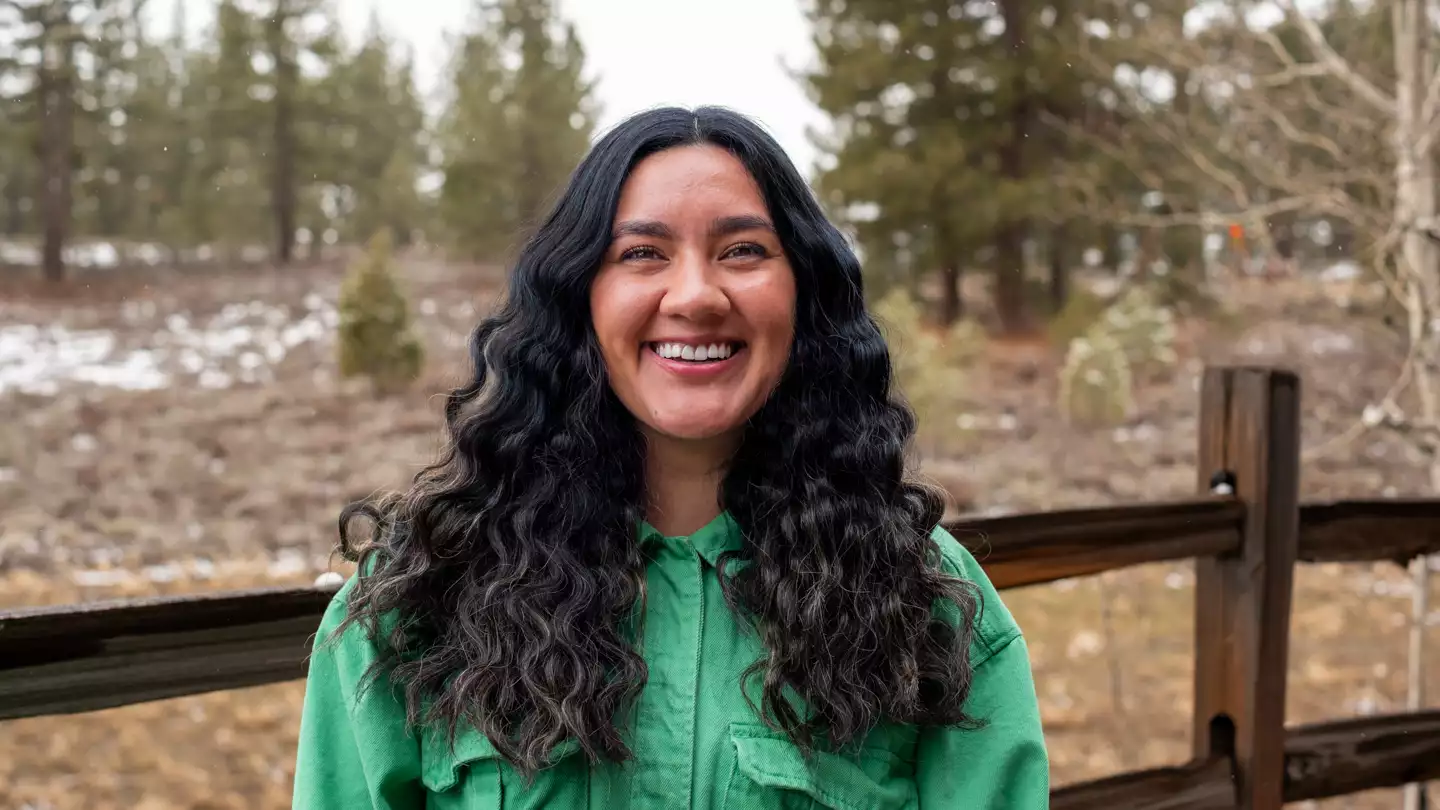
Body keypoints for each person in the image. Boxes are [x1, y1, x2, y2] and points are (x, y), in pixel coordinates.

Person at [292, 105, 1049, 809]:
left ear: (805, 292)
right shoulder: (416, 599)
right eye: (643, 253)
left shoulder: (926, 601)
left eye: (743, 250)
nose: (695, 296)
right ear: (580, 296)